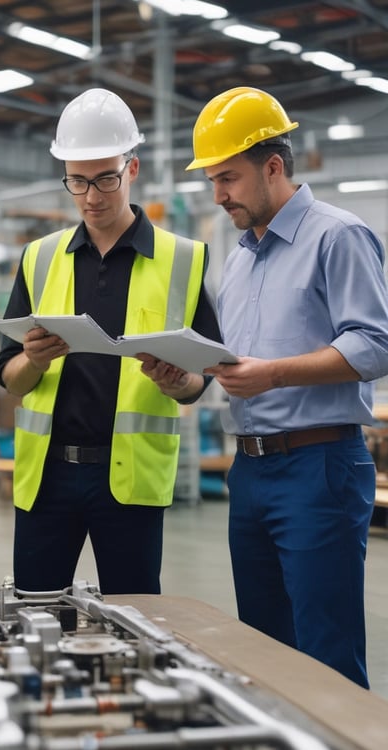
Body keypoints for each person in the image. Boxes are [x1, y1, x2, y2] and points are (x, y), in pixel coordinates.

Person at [186, 86, 388, 688]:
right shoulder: (240, 257)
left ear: (273, 167)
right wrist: (187, 372)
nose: (218, 195)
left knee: (326, 655)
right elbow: (237, 360)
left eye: (228, 178)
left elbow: (375, 344)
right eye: (213, 181)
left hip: (317, 466)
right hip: (249, 472)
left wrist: (273, 374)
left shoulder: (338, 236)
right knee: (263, 652)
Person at [0, 88, 221, 596]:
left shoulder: (182, 260)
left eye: (105, 179)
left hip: (130, 479)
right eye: (77, 181)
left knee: (136, 614)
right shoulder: (39, 258)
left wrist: (177, 381)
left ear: (132, 169)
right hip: (47, 478)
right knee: (36, 610)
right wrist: (33, 361)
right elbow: (11, 379)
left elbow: (201, 378)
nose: (91, 197)